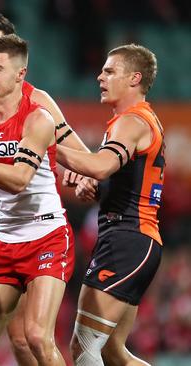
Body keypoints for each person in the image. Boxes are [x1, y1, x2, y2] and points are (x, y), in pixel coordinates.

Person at [0, 13, 89, 365]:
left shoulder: (38, 109)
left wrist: (77, 170)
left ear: (18, 69)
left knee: (33, 337)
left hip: (43, 233)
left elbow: (28, 175)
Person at [56, 44, 163, 366]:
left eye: (109, 71)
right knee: (112, 352)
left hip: (127, 238)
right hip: (134, 238)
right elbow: (122, 178)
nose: (100, 76)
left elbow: (102, 165)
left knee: (84, 348)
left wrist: (48, 143)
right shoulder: (134, 122)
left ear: (134, 78)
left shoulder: (131, 122)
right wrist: (98, 187)